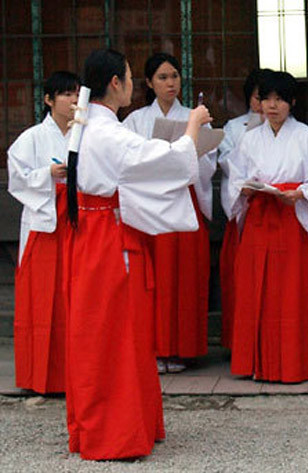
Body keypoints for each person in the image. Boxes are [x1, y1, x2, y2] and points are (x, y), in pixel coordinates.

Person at [66, 48, 211, 460]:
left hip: (95, 233)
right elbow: (162, 161)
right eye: (129, 77)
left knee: (106, 333)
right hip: (110, 239)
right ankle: (117, 432)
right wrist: (193, 129)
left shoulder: (88, 126)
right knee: (118, 335)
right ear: (116, 83)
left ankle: (123, 423)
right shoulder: (107, 132)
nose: (130, 84)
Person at [228, 71, 308, 383]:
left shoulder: (306, 136)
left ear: (292, 103)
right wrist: (243, 190)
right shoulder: (249, 138)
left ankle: (292, 363)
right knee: (254, 289)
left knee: (291, 293)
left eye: (280, 99)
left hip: (291, 216)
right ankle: (257, 362)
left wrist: (301, 193)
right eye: (267, 99)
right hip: (260, 216)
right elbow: (235, 176)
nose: (272, 106)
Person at [123, 53, 216, 374]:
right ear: (148, 83)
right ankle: (153, 347)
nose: (170, 83)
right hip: (150, 204)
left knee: (185, 277)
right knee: (155, 279)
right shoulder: (135, 121)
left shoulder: (194, 115)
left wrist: (198, 148)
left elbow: (208, 162)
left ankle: (182, 348)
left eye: (174, 76)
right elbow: (128, 162)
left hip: (184, 197)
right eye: (162, 77)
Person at [8, 71, 80, 394]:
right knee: (41, 303)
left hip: (76, 223)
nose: (73, 100)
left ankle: (75, 376)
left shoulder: (85, 134)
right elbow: (17, 178)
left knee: (74, 300)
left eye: (77, 93)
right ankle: (40, 376)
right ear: (49, 100)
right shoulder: (32, 138)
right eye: (65, 94)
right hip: (44, 223)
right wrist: (46, 174)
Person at [217, 68, 272, 350]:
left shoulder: (289, 127)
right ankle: (239, 343)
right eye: (257, 97)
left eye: (269, 97)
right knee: (241, 282)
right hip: (243, 208)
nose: (263, 104)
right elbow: (226, 162)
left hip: (274, 208)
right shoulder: (234, 128)